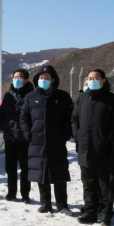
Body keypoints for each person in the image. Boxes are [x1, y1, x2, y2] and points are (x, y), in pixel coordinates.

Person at [20, 65, 75, 217]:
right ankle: (45, 203)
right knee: (40, 174)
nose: (43, 80)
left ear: (53, 79)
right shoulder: (30, 97)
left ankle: (62, 204)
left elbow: (69, 118)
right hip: (37, 142)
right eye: (41, 77)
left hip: (56, 142)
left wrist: (65, 135)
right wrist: (28, 134)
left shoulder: (63, 96)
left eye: (47, 77)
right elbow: (23, 117)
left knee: (59, 174)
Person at [72, 69, 114, 226]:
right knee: (88, 183)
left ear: (103, 80)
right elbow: (74, 118)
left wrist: (107, 141)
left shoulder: (112, 99)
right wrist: (77, 135)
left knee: (104, 183)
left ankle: (106, 213)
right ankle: (90, 212)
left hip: (103, 150)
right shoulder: (82, 97)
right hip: (85, 147)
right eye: (89, 78)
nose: (92, 80)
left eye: (95, 78)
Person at [0, 69, 34, 204]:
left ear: (26, 79)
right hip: (9, 136)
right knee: (10, 167)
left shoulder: (31, 96)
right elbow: (1, 113)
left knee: (25, 168)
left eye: (19, 77)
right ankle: (11, 192)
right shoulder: (8, 95)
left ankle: (25, 194)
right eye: (14, 76)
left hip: (25, 138)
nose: (16, 79)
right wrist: (2, 126)